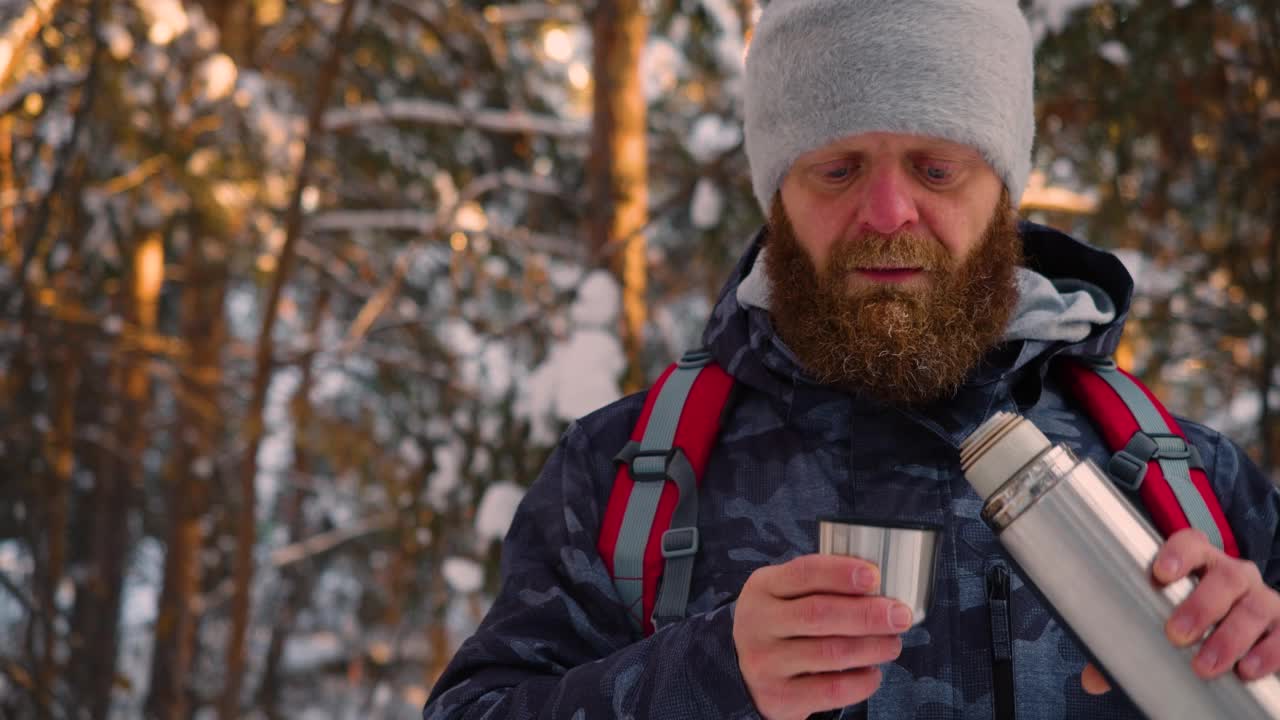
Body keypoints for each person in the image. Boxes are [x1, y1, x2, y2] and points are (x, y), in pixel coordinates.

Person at [424, 0, 1280, 717]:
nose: (887, 210)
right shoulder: (624, 480)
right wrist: (700, 678)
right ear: (778, 193)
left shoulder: (1186, 480)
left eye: (936, 167)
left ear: (1004, 190)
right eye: (837, 169)